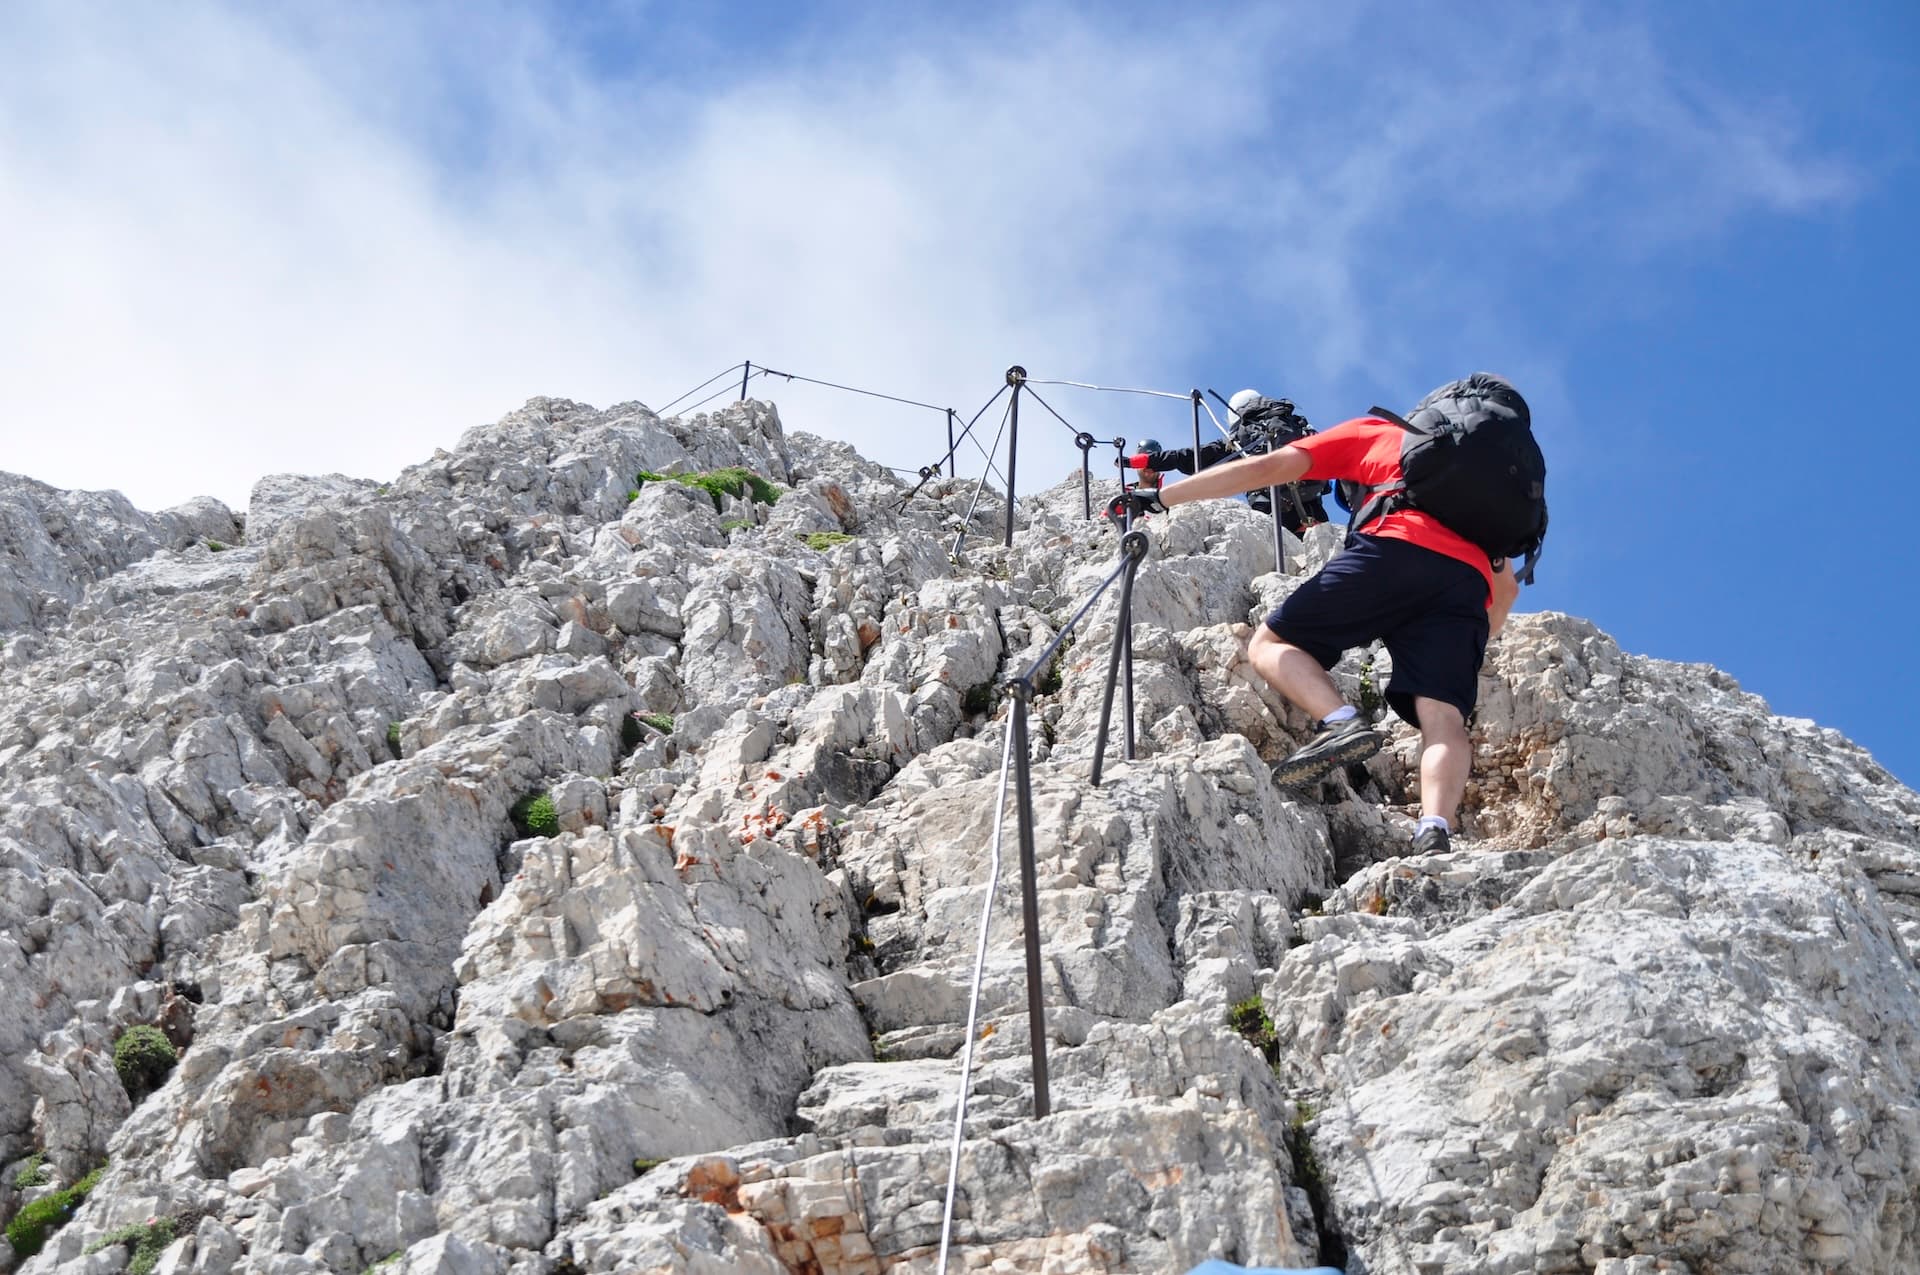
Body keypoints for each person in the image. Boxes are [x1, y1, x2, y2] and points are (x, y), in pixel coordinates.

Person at [1145, 376, 1528, 855]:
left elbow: (1264, 468)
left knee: (1272, 645)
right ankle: (1434, 829)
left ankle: (1342, 721)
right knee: (1444, 719)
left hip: (1393, 548)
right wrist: (1472, 640)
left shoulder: (1382, 433)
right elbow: (1507, 587)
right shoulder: (1493, 482)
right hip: (1465, 589)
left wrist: (1164, 498)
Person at [1121, 392, 1331, 534]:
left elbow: (1190, 456)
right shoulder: (1294, 424)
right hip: (1312, 503)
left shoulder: (1243, 434)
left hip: (1274, 508)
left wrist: (1140, 461)